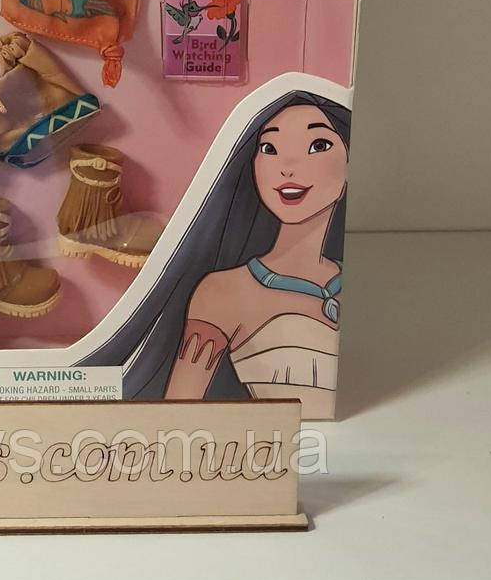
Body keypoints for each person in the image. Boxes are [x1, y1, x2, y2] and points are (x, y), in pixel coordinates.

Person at [77, 90, 349, 415]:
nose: (287, 167)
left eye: (318, 145)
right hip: (276, 439)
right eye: (269, 148)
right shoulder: (222, 291)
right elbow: (180, 412)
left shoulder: (356, 276)